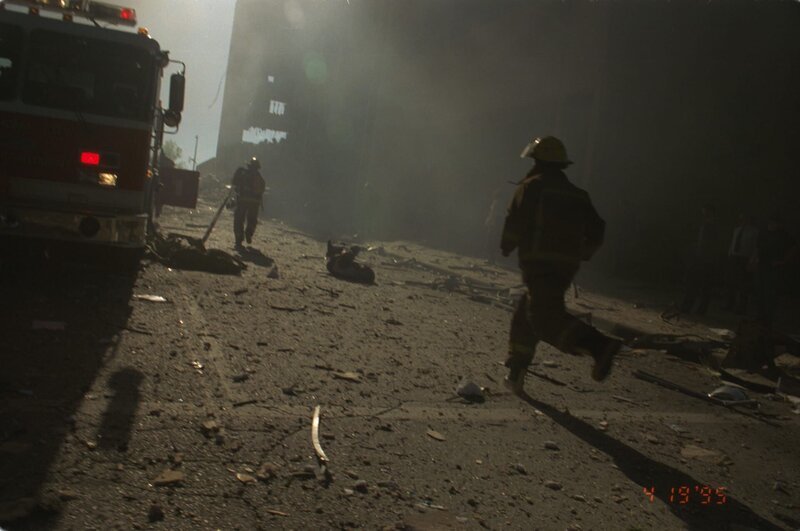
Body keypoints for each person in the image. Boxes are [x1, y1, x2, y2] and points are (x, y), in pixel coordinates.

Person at [500, 136, 620, 395]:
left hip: (538, 264)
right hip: (566, 267)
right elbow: (598, 229)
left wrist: (506, 246)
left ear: (537, 161)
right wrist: (581, 254)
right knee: (526, 313)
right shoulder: (578, 195)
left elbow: (515, 221)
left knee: (544, 319)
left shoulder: (531, 187)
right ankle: (516, 371)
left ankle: (599, 345)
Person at [754, 215, 798, 327]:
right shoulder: (764, 233)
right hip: (762, 266)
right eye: (770, 223)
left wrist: (782, 261)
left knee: (769, 294)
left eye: (774, 223)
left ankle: (768, 319)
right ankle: (760, 317)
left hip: (773, 268)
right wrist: (754, 259)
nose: (771, 225)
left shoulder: (784, 236)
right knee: (760, 292)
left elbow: (793, 248)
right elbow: (758, 247)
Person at [680, 204, 722, 316]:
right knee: (700, 285)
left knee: (699, 285)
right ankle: (694, 308)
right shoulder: (708, 225)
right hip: (703, 258)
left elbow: (708, 244)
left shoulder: (711, 226)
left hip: (704, 259)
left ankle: (692, 307)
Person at [724, 214, 759, 314]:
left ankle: (741, 307)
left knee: (743, 284)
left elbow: (755, 247)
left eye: (745, 219)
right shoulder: (737, 230)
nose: (743, 220)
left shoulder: (754, 231)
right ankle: (730, 304)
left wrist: (752, 260)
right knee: (731, 282)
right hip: (734, 257)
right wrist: (729, 253)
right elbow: (733, 242)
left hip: (745, 258)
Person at [231, 157, 265, 248]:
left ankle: (239, 238)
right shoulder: (259, 177)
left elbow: (235, 183)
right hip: (255, 202)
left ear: (249, 165)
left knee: (239, 219)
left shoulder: (243, 173)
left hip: (243, 200)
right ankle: (249, 233)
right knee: (252, 219)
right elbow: (262, 189)